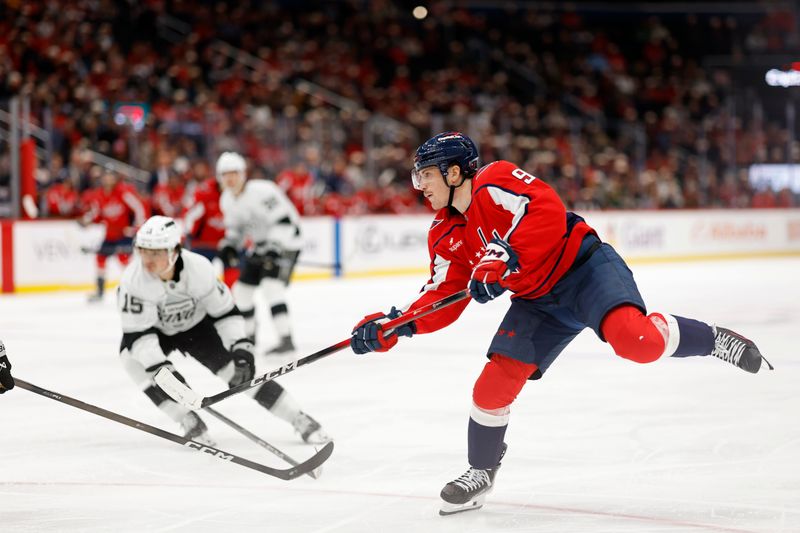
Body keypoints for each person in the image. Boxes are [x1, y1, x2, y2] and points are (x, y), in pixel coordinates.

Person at [350, 131, 768, 516]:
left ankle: (712, 340)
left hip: (583, 269)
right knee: (491, 386)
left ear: (455, 172)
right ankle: (480, 472)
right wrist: (397, 325)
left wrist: (504, 253)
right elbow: (443, 295)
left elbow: (544, 209)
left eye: (425, 174)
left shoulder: (494, 180)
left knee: (637, 341)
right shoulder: (443, 232)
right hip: (538, 301)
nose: (418, 184)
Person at [117, 215, 329, 444]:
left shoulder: (199, 269)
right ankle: (186, 418)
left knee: (238, 373)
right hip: (155, 333)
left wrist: (241, 346)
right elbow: (139, 337)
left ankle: (298, 417)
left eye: (156, 252)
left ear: (174, 251)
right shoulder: (132, 281)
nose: (148, 259)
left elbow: (225, 313)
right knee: (131, 359)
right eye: (143, 251)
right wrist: (163, 371)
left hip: (197, 328)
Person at [216, 152, 303, 356]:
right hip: (261, 246)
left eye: (234, 173)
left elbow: (284, 222)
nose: (230, 178)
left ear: (243, 174)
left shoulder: (263, 191)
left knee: (272, 287)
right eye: (225, 174)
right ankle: (248, 338)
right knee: (242, 291)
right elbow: (235, 229)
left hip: (287, 243)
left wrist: (275, 247)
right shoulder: (227, 200)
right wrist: (229, 244)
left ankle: (286, 339)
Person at [80, 166, 148, 302]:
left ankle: (134, 290)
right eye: (106, 176)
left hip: (124, 234)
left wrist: (138, 227)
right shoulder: (98, 195)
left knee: (124, 260)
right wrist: (88, 221)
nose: (108, 179)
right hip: (110, 235)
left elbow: (139, 208)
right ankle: (99, 292)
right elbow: (97, 214)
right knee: (100, 258)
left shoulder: (123, 192)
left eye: (111, 176)